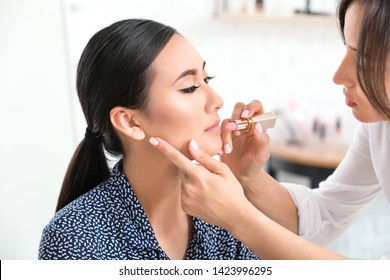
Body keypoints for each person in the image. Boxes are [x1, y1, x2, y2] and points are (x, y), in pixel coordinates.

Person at [149, 0, 390, 259]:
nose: (338, 76)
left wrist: (240, 219)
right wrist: (246, 177)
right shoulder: (378, 124)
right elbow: (324, 215)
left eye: (364, 61)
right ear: (128, 121)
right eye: (189, 87)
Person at [38, 18, 259, 260]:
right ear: (129, 122)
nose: (217, 100)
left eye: (206, 80)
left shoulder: (227, 212)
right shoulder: (73, 239)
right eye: (189, 88)